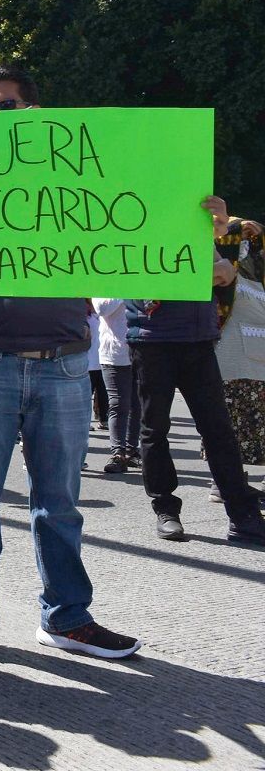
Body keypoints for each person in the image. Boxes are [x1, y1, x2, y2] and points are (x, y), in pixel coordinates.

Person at [0, 65, 141, 665]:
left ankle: (67, 620)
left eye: (10, 106)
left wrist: (200, 224)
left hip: (66, 368)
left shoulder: (82, 183)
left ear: (35, 115)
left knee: (59, 504)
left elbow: (139, 250)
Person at [125, 196, 265, 546]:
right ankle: (166, 509)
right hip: (150, 338)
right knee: (154, 428)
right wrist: (194, 271)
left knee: (218, 429)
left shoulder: (198, 225)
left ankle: (243, 515)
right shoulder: (130, 225)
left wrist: (216, 236)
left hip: (198, 339)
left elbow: (226, 273)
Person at [211, 216, 265, 498]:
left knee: (259, 425)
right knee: (227, 423)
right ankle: (224, 482)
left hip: (260, 361)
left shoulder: (259, 273)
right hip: (230, 360)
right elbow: (218, 234)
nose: (249, 245)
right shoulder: (225, 271)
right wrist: (236, 225)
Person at [92, 298, 140, 473]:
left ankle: (131, 450)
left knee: (137, 403)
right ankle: (117, 453)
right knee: (118, 403)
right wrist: (125, 287)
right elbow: (101, 308)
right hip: (114, 353)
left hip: (142, 349)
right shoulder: (107, 282)